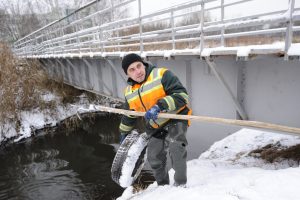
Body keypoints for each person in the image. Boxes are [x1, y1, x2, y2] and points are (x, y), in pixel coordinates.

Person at [119, 53, 192, 187]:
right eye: (132, 70)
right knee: (154, 158)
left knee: (176, 148)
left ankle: (180, 186)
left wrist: (159, 106)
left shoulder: (162, 74)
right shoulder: (129, 92)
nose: (138, 71)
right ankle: (162, 187)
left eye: (139, 66)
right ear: (127, 74)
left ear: (143, 64)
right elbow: (129, 114)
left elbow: (182, 96)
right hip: (156, 124)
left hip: (176, 117)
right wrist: (124, 132)